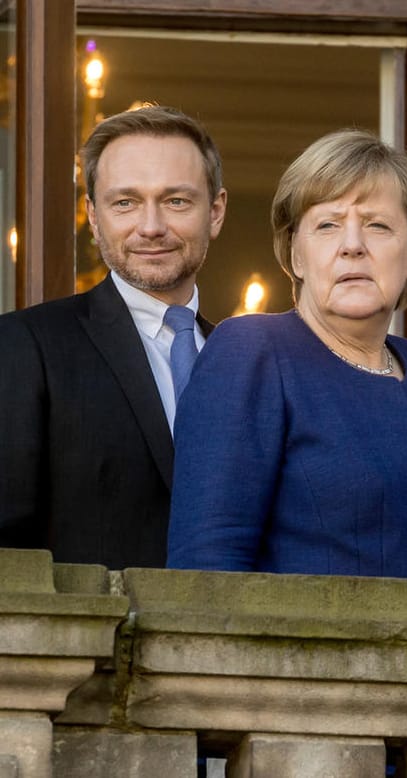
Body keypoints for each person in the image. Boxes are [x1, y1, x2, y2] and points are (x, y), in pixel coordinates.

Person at [166, 129, 407, 580]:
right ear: (296, 255)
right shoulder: (251, 351)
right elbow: (205, 566)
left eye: (378, 225)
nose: (352, 244)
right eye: (327, 225)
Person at [0, 105, 227, 569]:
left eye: (176, 201)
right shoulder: (26, 346)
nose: (150, 227)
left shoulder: (247, 361)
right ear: (94, 216)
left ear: (216, 212)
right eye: (125, 202)